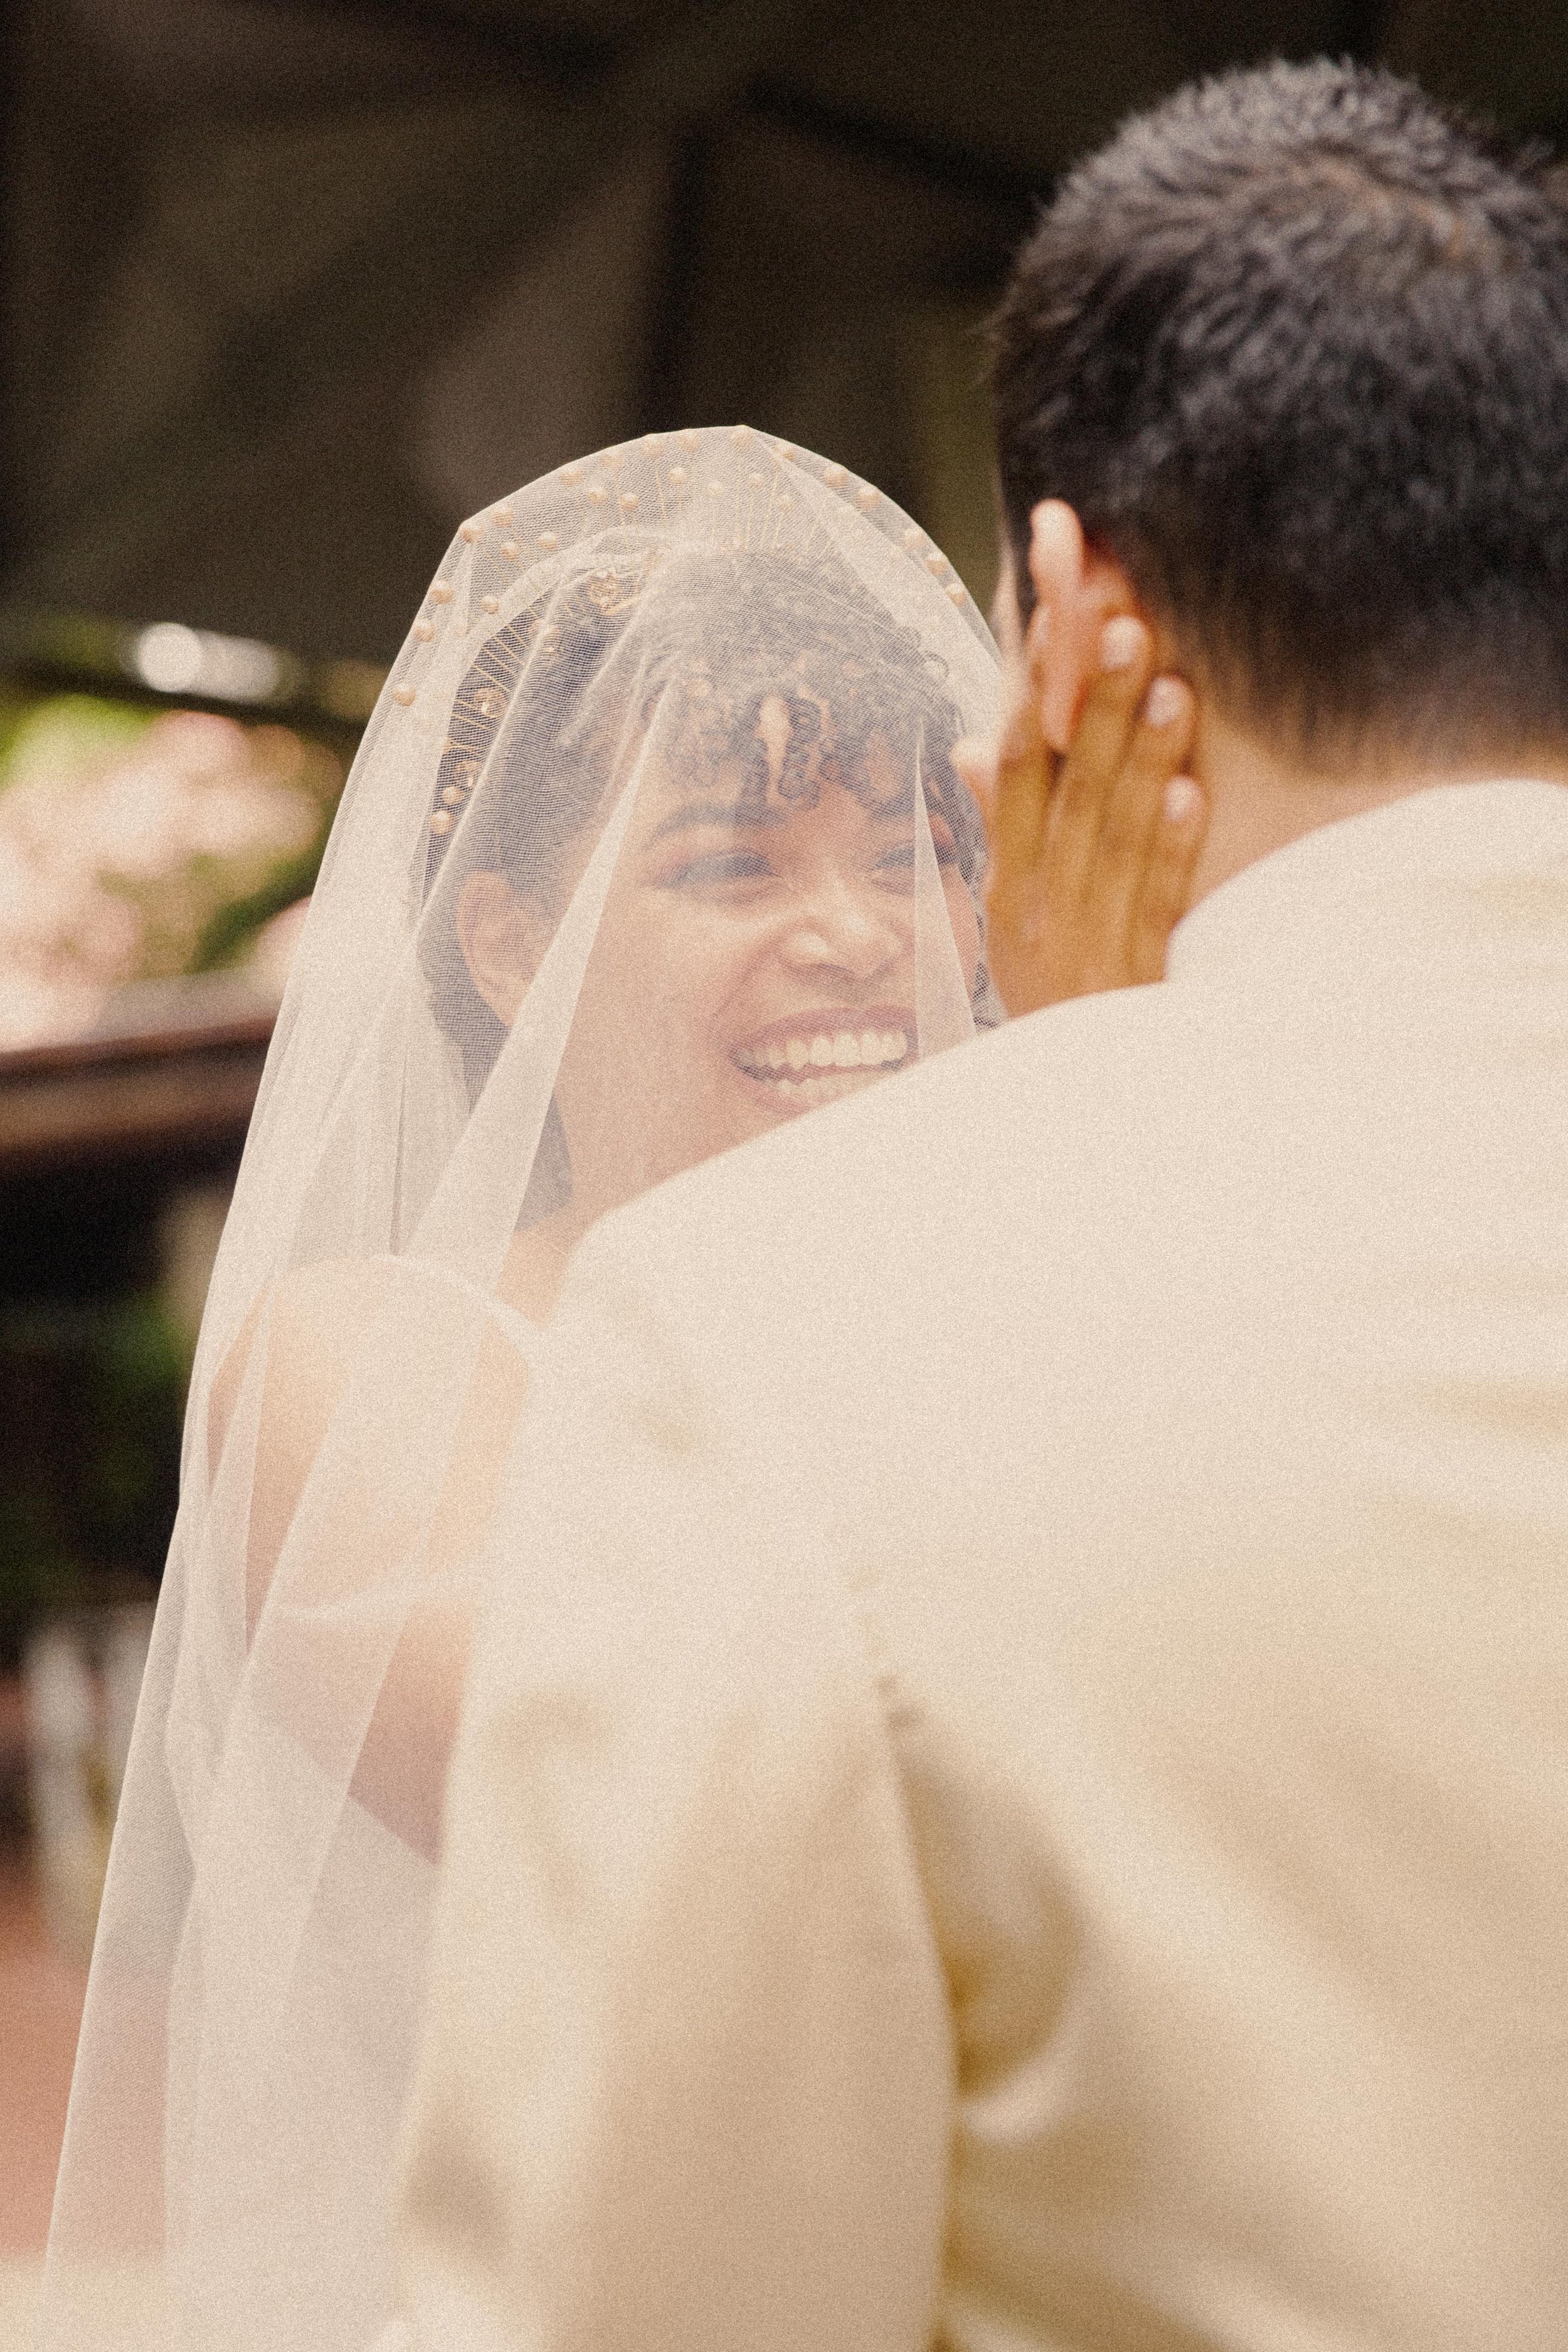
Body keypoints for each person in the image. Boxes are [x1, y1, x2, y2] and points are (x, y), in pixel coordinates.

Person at [396, 61, 1568, 2352]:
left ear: (1069, 600)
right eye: (737, 857)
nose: (853, 927)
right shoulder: (507, 1335)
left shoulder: (788, 1335)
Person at [38, 424, 1200, 2351]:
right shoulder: (366, 1356)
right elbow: (623, 1799)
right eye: (732, 864)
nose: (854, 932)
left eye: (917, 855)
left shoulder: (1046, 1280)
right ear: (511, 940)